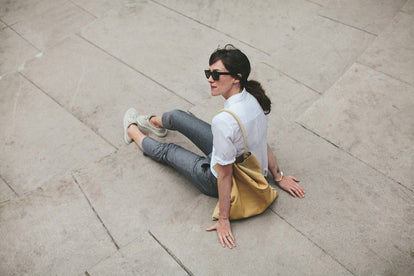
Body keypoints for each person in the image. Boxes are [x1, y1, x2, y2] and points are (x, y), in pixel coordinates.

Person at [123, 44, 305, 249]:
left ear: (236, 77)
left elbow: (225, 174)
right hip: (232, 154)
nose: (210, 79)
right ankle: (152, 122)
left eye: (216, 74)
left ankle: (132, 130)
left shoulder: (225, 121)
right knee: (177, 117)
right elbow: (261, 141)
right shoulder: (253, 97)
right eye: (208, 73)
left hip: (217, 178)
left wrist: (224, 219)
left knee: (169, 152)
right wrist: (278, 176)